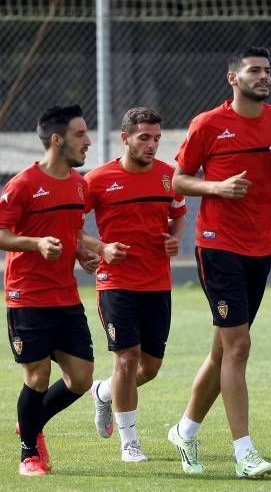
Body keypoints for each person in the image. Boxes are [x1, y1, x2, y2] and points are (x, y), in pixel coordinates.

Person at [167, 47, 271, 478]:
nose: (263, 77)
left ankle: (186, 430)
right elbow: (177, 180)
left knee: (223, 349)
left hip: (258, 249)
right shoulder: (208, 124)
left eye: (267, 70)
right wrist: (216, 188)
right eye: (254, 71)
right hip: (217, 245)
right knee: (239, 347)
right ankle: (244, 451)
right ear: (234, 78)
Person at [0, 105, 98, 476]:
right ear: (57, 139)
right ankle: (28, 454)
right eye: (80, 134)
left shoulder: (79, 184)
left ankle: (30, 423)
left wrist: (83, 251)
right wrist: (35, 244)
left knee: (81, 378)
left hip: (65, 295)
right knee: (37, 376)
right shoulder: (22, 184)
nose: (88, 141)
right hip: (27, 296)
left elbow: (73, 230)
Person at [84, 107, 186, 462]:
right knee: (126, 358)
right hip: (116, 283)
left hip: (157, 282)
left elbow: (178, 217)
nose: (152, 144)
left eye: (157, 138)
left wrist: (174, 240)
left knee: (149, 368)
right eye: (144, 137)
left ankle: (105, 392)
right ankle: (129, 442)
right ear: (125, 138)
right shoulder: (97, 180)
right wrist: (100, 248)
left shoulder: (169, 176)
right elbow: (69, 224)